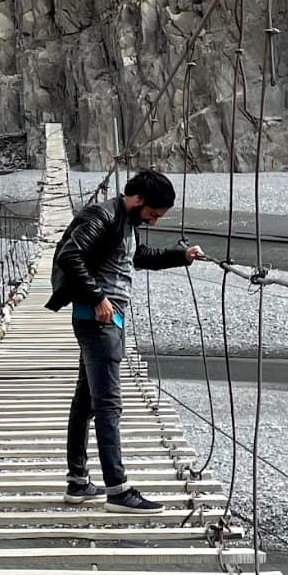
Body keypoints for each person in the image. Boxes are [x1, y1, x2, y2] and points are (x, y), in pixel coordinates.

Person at [46, 168, 203, 508]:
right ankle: (117, 489)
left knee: (86, 401)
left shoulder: (124, 221)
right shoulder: (102, 216)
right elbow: (69, 256)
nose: (154, 221)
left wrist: (182, 255)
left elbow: (137, 258)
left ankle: (78, 482)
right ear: (139, 199)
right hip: (99, 319)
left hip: (104, 319)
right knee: (108, 405)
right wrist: (97, 296)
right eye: (153, 214)